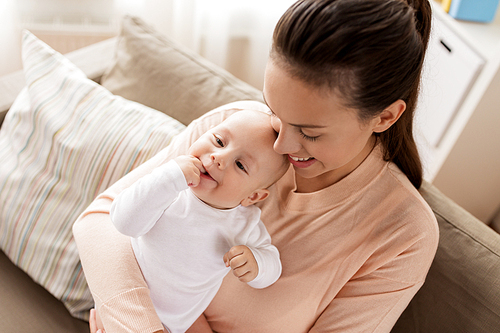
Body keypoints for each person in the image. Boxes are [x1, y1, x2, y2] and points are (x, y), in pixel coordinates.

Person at [73, 0, 440, 332]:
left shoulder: (403, 235)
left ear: (385, 116)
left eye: (309, 132)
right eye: (276, 112)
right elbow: (100, 222)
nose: (281, 145)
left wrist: (125, 309)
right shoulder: (234, 130)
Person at [107, 110, 287, 333]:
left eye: (240, 165)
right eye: (219, 141)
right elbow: (123, 222)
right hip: (122, 302)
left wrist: (257, 263)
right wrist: (169, 179)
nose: (218, 158)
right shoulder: (169, 186)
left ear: (252, 197)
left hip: (173, 326)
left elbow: (273, 266)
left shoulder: (245, 224)